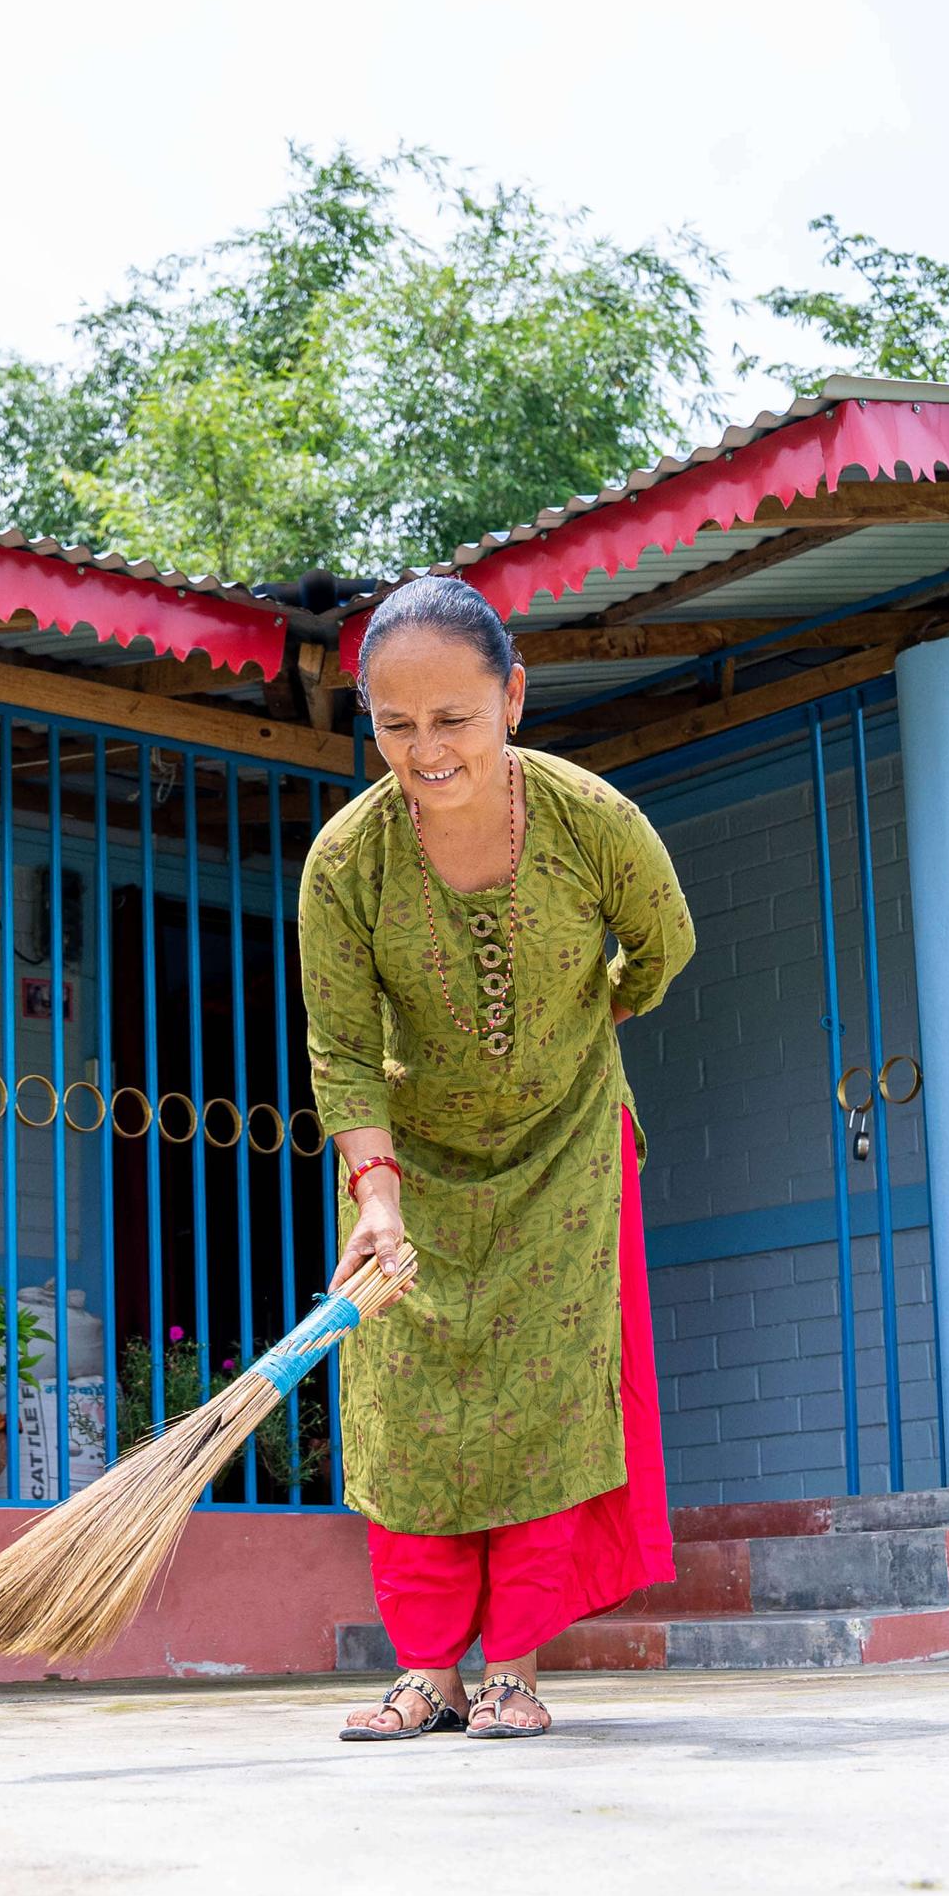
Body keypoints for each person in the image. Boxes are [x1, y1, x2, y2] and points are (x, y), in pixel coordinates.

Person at [297, 573, 695, 1740]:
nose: (426, 750)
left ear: (513, 698)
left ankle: (513, 1669)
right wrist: (375, 1195)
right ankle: (427, 1671)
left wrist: (600, 1017)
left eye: (454, 718)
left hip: (567, 1142)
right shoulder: (346, 864)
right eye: (396, 722)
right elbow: (340, 1046)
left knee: (550, 1391)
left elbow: (662, 943)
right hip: (406, 1162)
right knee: (404, 1399)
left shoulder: (589, 820)